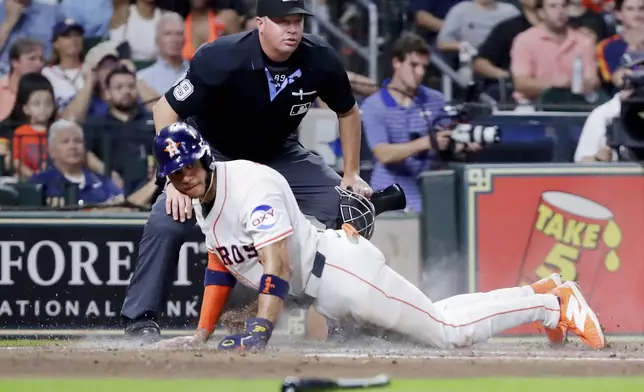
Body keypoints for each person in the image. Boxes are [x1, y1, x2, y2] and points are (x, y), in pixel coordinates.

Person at [150, 123, 606, 351]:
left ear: (205, 158)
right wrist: (203, 332)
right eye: (175, 172)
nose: (185, 177)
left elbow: (278, 265)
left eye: (189, 165)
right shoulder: (199, 199)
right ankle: (541, 293)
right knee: (435, 318)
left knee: (446, 334)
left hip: (341, 274)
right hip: (328, 288)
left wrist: (261, 329)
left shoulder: (248, 186)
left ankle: (553, 303)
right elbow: (219, 262)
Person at [121, 0, 373, 339]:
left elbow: (348, 111)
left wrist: (351, 172)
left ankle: (346, 318)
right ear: (260, 23)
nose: (293, 29)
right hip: (214, 154)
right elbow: (165, 110)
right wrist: (172, 176)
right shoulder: (221, 57)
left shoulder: (320, 57)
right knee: (168, 221)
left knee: (350, 210)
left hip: (277, 154)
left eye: (298, 21)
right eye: (283, 21)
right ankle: (140, 318)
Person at [7, 73, 57, 179]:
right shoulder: (21, 133)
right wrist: (33, 176)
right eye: (36, 104)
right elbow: (16, 161)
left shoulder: (56, 132)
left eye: (48, 103)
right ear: (26, 109)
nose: (43, 108)